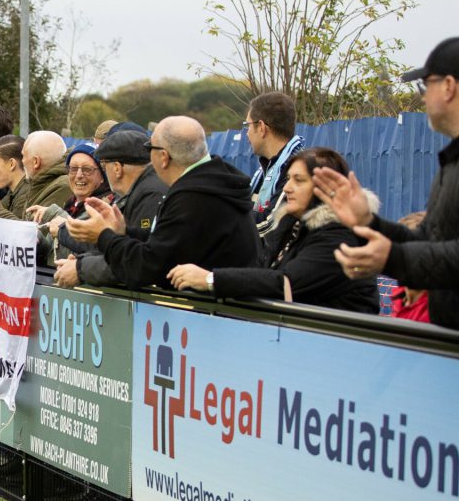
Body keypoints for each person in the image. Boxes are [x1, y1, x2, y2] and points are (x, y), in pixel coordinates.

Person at [312, 37, 459, 329]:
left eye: (424, 86)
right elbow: (429, 242)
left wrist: (392, 257)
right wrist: (369, 222)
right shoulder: (451, 162)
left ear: (449, 87)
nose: (422, 97)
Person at [168, 148, 379, 313]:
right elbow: (261, 270)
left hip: (340, 354)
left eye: (299, 180)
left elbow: (285, 283)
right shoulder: (292, 224)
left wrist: (210, 280)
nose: (287, 188)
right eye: (288, 179)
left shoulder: (339, 236)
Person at [66, 116, 260, 289]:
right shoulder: (207, 185)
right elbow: (168, 244)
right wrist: (124, 231)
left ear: (164, 157)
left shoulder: (192, 197)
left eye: (150, 149)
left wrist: (103, 236)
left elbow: (148, 267)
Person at [54, 129, 169, 289]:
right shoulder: (139, 191)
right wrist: (82, 261)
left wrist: (81, 268)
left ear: (116, 168)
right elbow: (121, 248)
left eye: (103, 165)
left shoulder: (150, 195)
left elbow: (138, 259)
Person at [28, 143, 114, 263]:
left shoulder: (105, 210)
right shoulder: (70, 205)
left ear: (102, 176)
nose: (79, 175)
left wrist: (55, 214)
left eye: (87, 169)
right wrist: (36, 239)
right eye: (73, 169)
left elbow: (87, 251)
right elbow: (52, 255)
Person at [245, 92, 305, 234]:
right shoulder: (266, 168)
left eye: (247, 125)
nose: (246, 133)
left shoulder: (295, 168)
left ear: (261, 127)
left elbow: (269, 225)